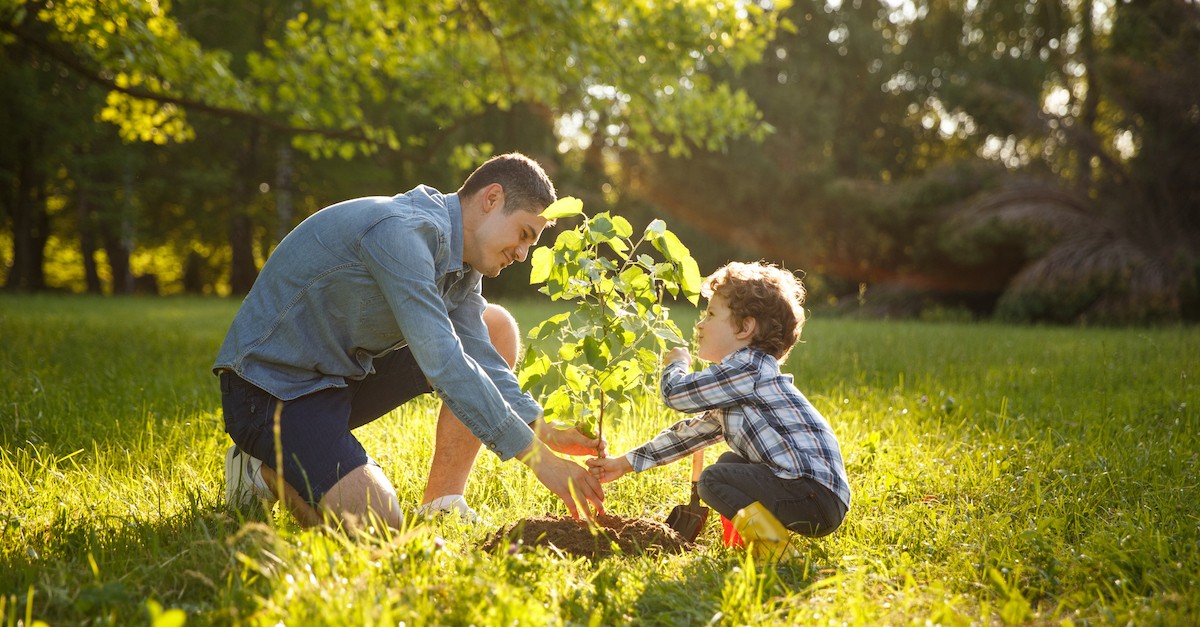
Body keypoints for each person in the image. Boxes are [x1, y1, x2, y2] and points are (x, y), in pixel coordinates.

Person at [214, 152, 606, 531]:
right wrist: (540, 461)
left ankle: (442, 504)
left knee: (494, 326)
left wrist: (542, 428)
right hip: (271, 392)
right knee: (379, 527)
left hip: (339, 378)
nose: (522, 254)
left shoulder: (463, 263)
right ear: (492, 198)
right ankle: (260, 470)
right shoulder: (402, 233)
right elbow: (444, 361)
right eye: (524, 234)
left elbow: (480, 355)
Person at [587, 261, 850, 560]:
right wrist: (624, 463)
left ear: (745, 327)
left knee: (713, 480)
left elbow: (676, 394)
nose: (700, 324)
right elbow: (690, 435)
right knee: (729, 462)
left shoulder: (747, 368)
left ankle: (776, 553)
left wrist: (677, 365)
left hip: (811, 494)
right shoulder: (742, 384)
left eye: (710, 314)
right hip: (817, 496)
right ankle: (750, 545)